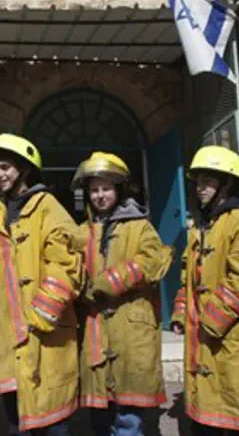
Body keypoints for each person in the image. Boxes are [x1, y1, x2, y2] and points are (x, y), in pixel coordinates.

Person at [171, 146, 239, 436]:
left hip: (235, 339)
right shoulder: (207, 225)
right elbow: (190, 276)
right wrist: (182, 313)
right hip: (211, 341)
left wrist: (211, 317)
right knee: (210, 416)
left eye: (208, 182)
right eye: (198, 183)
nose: (200, 189)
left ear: (227, 183)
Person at [0, 134, 84, 436]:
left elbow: (67, 263)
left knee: (51, 421)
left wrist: (41, 315)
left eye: (6, 168)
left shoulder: (49, 208)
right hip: (9, 337)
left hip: (44, 334)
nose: (0, 175)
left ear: (25, 170)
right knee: (17, 421)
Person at [72, 152, 173, 436]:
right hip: (95, 330)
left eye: (106, 188)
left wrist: (112, 281)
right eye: (94, 189)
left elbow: (155, 261)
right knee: (100, 414)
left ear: (119, 189)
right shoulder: (83, 231)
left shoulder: (139, 226)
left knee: (129, 417)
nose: (100, 195)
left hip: (131, 329)